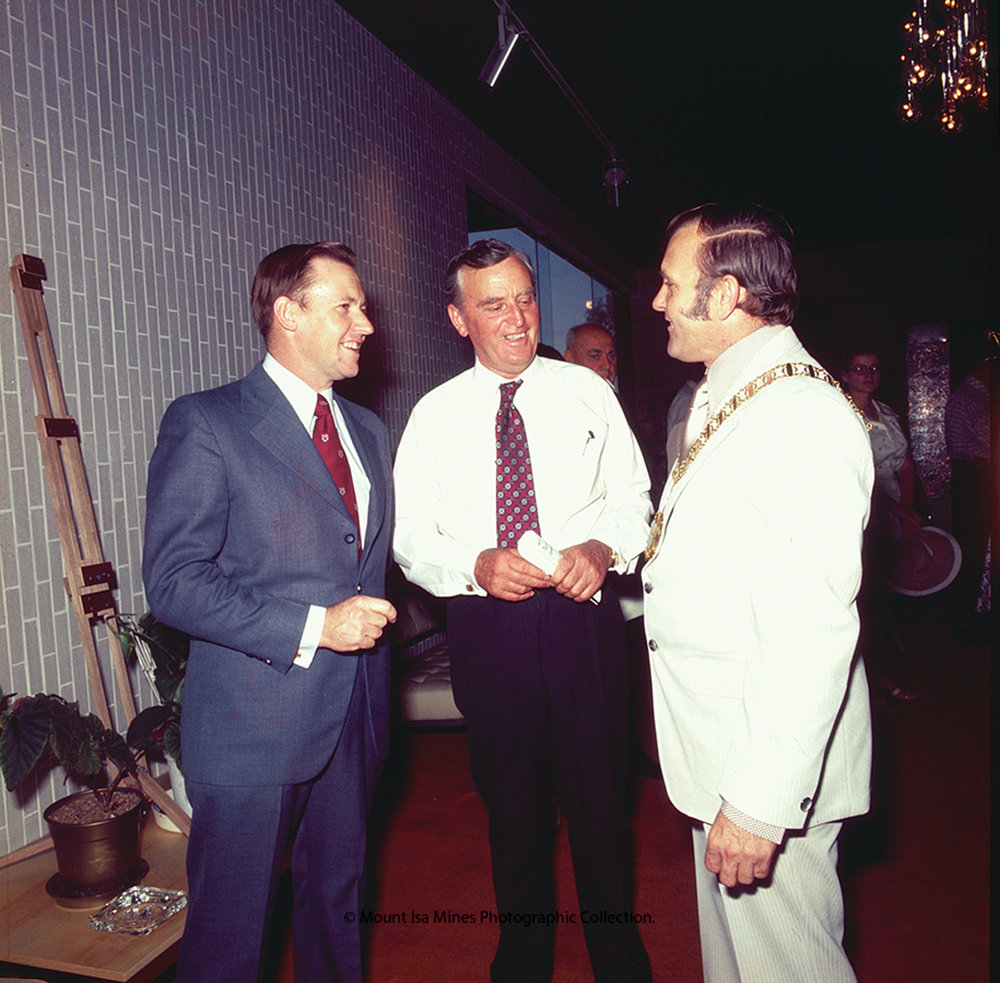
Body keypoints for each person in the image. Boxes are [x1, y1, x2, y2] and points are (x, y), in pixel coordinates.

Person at [394, 239, 652, 983]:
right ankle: (523, 960)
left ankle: (620, 961)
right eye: (493, 303)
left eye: (525, 298)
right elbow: (411, 537)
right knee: (513, 813)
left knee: (602, 809)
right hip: (489, 626)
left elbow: (633, 497)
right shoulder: (434, 417)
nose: (516, 318)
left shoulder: (587, 392)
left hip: (584, 618)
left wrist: (603, 548)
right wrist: (473, 564)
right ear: (457, 317)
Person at [143, 242, 397, 982]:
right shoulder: (207, 422)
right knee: (231, 935)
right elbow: (176, 581)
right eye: (346, 305)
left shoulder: (370, 433)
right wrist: (318, 626)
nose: (367, 324)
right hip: (252, 724)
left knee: (336, 913)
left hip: (354, 719)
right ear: (288, 312)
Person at [642, 204, 874, 983]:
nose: (658, 301)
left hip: (763, 771)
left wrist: (758, 801)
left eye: (672, 284)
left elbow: (810, 627)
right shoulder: (733, 392)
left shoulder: (796, 415)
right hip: (724, 749)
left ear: (729, 293)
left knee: (788, 969)